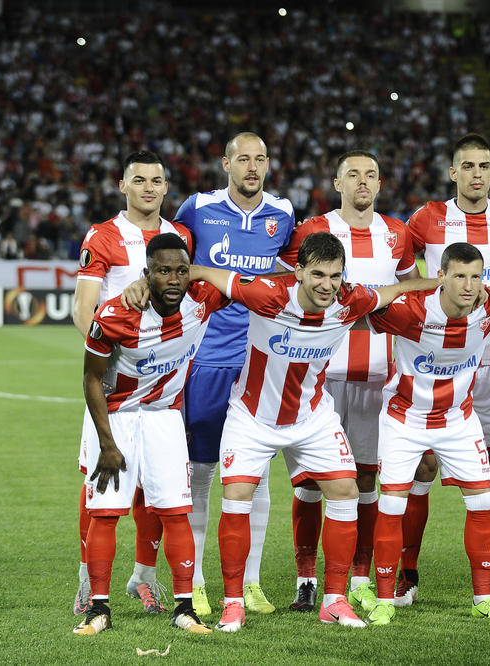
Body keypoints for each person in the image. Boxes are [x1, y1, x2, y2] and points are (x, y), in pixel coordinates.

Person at [187, 232, 440, 632]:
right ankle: (233, 603)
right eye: (318, 274)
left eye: (336, 275)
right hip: (253, 418)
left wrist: (440, 282)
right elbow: (205, 274)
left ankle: (335, 600)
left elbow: (398, 289)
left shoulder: (350, 300)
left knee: (346, 491)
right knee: (237, 497)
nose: (327, 284)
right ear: (299, 271)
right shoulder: (267, 292)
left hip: (311, 417)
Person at [275, 151, 420, 613]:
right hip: (317, 378)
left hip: (378, 379)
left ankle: (359, 576)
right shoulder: (311, 231)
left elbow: (413, 295)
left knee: (366, 479)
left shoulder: (397, 234)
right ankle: (306, 579)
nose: (362, 181)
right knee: (310, 484)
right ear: (337, 183)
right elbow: (287, 287)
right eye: (353, 174)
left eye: (371, 174)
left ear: (380, 184)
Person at [399, 133, 490, 607]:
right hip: (438, 360)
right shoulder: (426, 219)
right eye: (468, 166)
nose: (477, 173)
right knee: (423, 462)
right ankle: (407, 572)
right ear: (453, 173)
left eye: (485, 165)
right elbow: (396, 259)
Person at [73, 233, 225, 636]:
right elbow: (91, 378)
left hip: (164, 417)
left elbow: (259, 280)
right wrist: (107, 444)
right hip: (116, 416)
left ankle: (184, 608)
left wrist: (198, 272)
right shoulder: (115, 315)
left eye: (181, 271)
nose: (173, 280)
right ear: (147, 274)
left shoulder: (203, 299)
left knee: (176, 512)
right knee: (105, 515)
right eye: (162, 271)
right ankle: (98, 609)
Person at [366, 242, 490, 626]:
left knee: (482, 502)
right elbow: (363, 308)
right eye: (459, 276)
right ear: (442, 276)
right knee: (391, 505)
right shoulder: (409, 312)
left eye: (476, 276)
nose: (469, 285)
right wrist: (403, 287)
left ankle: (483, 598)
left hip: (457, 419)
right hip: (406, 419)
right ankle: (385, 598)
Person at [171, 131, 295, 618]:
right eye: (242, 159)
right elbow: (170, 257)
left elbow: (293, 268)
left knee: (255, 475)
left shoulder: (282, 215)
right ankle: (197, 581)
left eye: (260, 159)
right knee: (200, 473)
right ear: (225, 163)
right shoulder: (198, 208)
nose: (251, 166)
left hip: (260, 363)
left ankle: (250, 582)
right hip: (206, 358)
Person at [71, 150, 191, 616]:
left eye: (156, 181)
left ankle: (144, 576)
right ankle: (87, 579)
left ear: (165, 187)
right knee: (101, 480)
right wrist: (111, 349)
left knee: (156, 490)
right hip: (116, 382)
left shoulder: (179, 237)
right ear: (123, 185)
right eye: (138, 180)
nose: (147, 188)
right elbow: (84, 308)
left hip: (163, 385)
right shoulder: (103, 236)